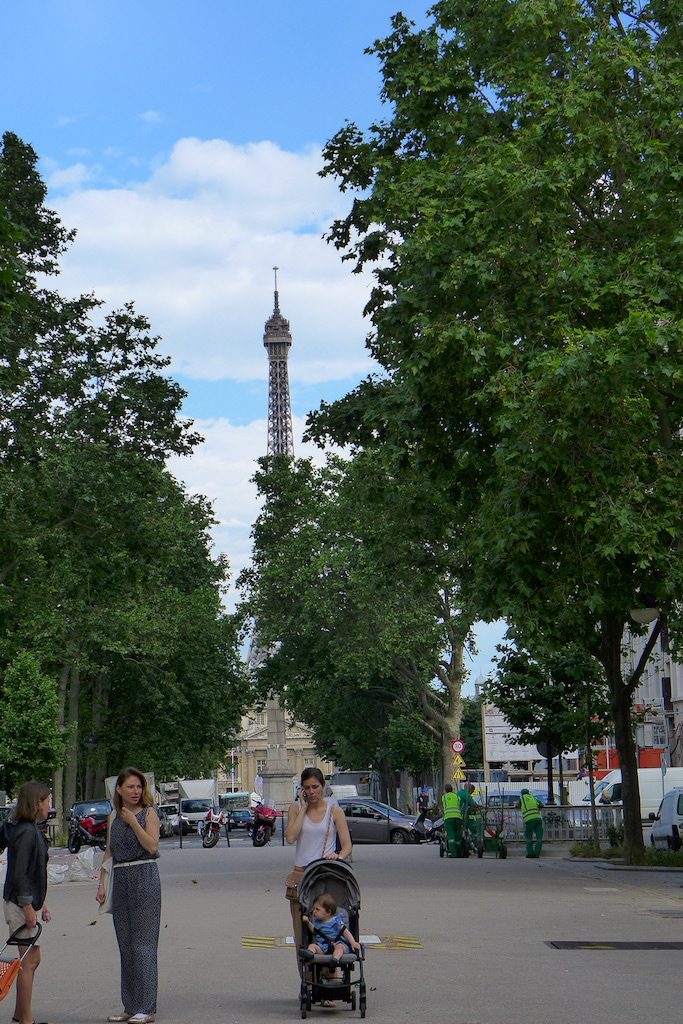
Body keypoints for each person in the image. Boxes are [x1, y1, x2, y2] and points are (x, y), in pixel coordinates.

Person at [97, 768, 161, 1024]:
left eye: (139, 787)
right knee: (126, 947)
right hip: (121, 879)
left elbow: (152, 846)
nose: (135, 792)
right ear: (119, 790)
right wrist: (101, 884)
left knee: (144, 946)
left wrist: (134, 823)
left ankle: (147, 1007)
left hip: (144, 877)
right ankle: (130, 1005)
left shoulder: (149, 813)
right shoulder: (113, 815)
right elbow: (108, 853)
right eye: (130, 787)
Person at [285, 767, 353, 991]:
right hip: (300, 876)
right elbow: (291, 837)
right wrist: (304, 808)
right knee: (302, 935)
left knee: (327, 931)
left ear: (323, 786)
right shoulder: (295, 808)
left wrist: (338, 855)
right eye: (307, 788)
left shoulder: (334, 810)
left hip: (325, 875)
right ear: (301, 790)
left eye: (315, 787)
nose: (312, 791)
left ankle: (328, 984)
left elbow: (347, 845)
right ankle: (309, 985)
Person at [2, 781, 52, 1024]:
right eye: (47, 801)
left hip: (23, 901)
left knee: (31, 959)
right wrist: (29, 906)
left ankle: (21, 1014)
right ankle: (26, 1019)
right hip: (19, 903)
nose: (49, 807)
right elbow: (21, 873)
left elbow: (33, 872)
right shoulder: (26, 832)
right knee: (29, 960)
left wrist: (41, 903)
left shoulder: (28, 829)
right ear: (36, 804)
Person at [303, 892, 360, 963]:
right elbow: (314, 931)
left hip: (337, 943)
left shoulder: (336, 921)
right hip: (323, 947)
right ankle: (309, 953)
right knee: (312, 945)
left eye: (317, 909)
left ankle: (335, 959)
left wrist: (353, 942)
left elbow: (345, 932)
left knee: (340, 947)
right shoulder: (317, 922)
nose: (314, 911)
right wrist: (308, 922)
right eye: (313, 909)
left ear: (328, 912)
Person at [517, 788, 544, 858]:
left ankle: (530, 853)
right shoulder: (533, 798)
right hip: (538, 818)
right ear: (528, 793)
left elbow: (517, 806)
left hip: (529, 819)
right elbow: (541, 805)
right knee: (539, 837)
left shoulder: (522, 798)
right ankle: (537, 854)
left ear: (522, 793)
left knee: (529, 837)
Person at [441, 783, 463, 856]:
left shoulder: (444, 797)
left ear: (445, 790)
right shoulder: (457, 796)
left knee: (451, 836)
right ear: (452, 789)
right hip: (458, 817)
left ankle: (454, 853)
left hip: (448, 818)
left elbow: (443, 808)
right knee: (458, 835)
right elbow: (459, 806)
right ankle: (459, 852)